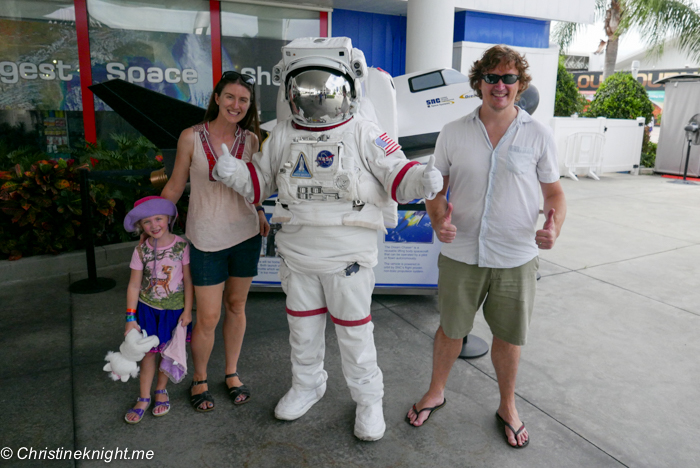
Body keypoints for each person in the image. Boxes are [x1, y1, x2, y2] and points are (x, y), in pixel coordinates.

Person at [212, 37, 443, 441]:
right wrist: (233, 171)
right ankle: (307, 384)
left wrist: (421, 179)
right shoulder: (282, 134)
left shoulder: (363, 130)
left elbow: (396, 173)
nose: (317, 100)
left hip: (347, 256)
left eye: (325, 90)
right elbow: (260, 180)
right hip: (299, 254)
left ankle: (369, 400)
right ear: (291, 93)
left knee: (354, 332)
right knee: (301, 331)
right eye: (306, 91)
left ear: (348, 89)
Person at [405, 45, 567, 449]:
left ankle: (507, 406)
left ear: (520, 84)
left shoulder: (538, 135)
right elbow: (436, 186)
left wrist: (555, 227)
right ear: (478, 83)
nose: (500, 85)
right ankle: (435, 391)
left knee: (508, 337)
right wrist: (438, 218)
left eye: (509, 78)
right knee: (450, 330)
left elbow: (555, 196)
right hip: (461, 253)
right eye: (491, 77)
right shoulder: (453, 131)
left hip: (515, 257)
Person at [161, 71, 270, 412]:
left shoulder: (252, 140)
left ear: (249, 106)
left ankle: (232, 373)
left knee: (236, 307)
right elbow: (176, 184)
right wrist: (156, 222)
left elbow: (255, 184)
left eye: (243, 100)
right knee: (206, 317)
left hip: (246, 234)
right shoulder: (191, 137)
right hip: (206, 237)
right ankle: (200, 378)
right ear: (217, 98)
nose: (236, 105)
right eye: (230, 97)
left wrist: (261, 210)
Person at [122, 196, 193, 423]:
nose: (154, 226)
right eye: (146, 222)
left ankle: (160, 390)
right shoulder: (140, 251)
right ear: (140, 226)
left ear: (169, 219)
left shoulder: (182, 246)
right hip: (147, 311)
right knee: (147, 356)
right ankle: (143, 396)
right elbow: (134, 284)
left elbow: (189, 282)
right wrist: (130, 317)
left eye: (158, 219)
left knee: (167, 353)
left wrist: (188, 311)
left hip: (174, 311)